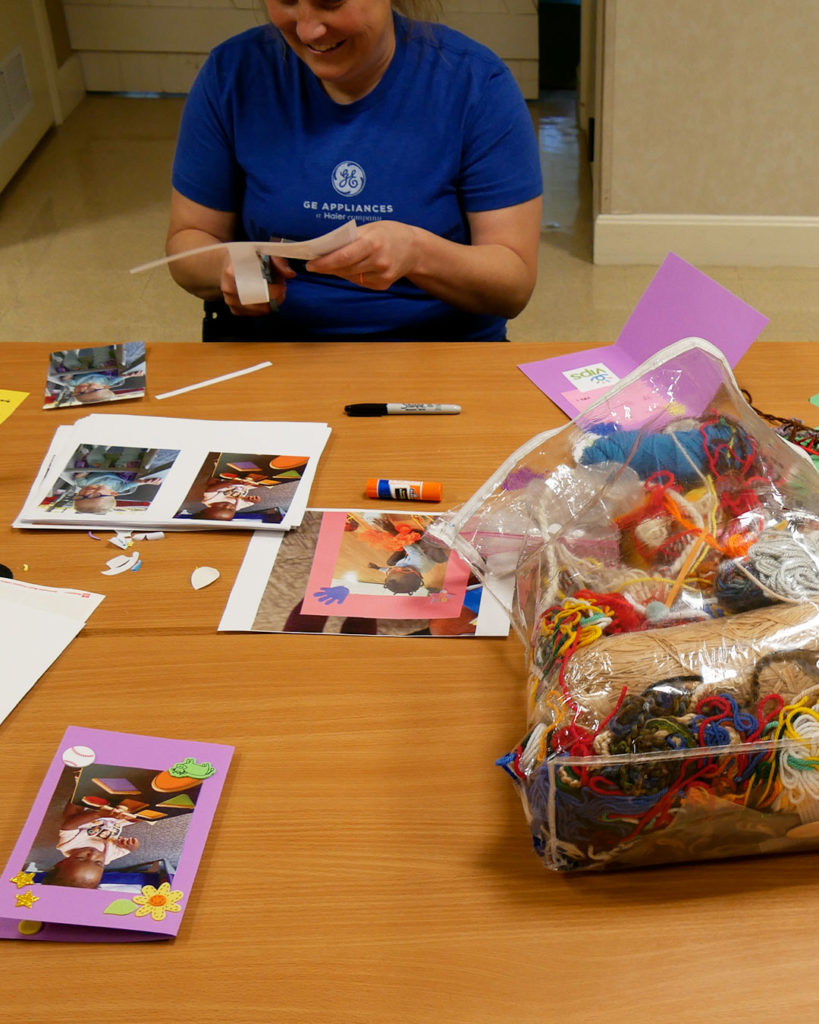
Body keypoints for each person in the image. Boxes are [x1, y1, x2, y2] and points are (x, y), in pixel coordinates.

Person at [165, 0, 543, 342]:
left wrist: (417, 254)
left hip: (438, 352)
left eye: (330, 2)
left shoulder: (475, 83)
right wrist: (231, 267)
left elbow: (512, 284)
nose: (307, 29)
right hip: (268, 353)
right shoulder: (232, 73)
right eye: (287, 1)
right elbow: (189, 241)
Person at [42, 800, 141, 889]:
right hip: (115, 821)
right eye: (98, 863)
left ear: (62, 862)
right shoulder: (108, 857)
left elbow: (68, 826)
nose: (93, 855)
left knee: (69, 817)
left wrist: (97, 815)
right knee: (142, 817)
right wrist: (130, 846)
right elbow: (128, 850)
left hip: (86, 819)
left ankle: (81, 794)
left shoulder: (67, 846)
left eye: (80, 858)